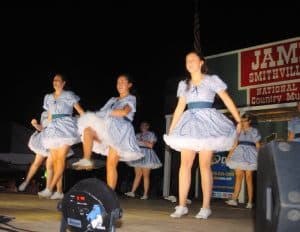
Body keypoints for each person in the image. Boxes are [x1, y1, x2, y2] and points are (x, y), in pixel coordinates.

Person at [163, 51, 241, 219]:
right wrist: (172, 128)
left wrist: (238, 119)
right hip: (189, 122)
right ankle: (182, 205)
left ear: (201, 62)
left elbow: (226, 99)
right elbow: (179, 107)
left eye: (192, 60)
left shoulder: (212, 80)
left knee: (204, 165)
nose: (189, 62)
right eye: (187, 60)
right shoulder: (183, 84)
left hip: (207, 122)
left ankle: (206, 207)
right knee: (185, 164)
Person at [72, 74, 143, 190]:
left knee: (111, 165)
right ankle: (86, 159)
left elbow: (124, 112)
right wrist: (91, 116)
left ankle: (110, 195)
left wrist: (108, 112)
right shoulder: (112, 100)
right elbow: (101, 113)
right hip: (107, 127)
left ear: (129, 85)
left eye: (123, 82)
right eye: (118, 82)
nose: (119, 84)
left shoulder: (131, 98)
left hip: (120, 131)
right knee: (87, 131)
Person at [38, 73, 84, 198]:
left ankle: (49, 188)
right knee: (55, 162)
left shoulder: (69, 95)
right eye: (54, 80)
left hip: (66, 127)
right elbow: (49, 116)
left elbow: (79, 110)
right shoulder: (48, 97)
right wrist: (43, 126)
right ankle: (59, 192)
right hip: (52, 128)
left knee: (61, 158)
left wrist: (88, 121)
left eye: (58, 80)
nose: (55, 82)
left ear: (63, 83)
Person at [225, 113, 261, 209]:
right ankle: (234, 199)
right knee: (238, 177)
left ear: (249, 121)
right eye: (241, 121)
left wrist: (260, 156)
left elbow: (257, 145)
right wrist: (229, 155)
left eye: (244, 121)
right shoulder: (238, 131)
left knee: (249, 178)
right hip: (239, 154)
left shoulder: (254, 131)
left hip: (250, 154)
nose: (242, 122)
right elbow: (235, 144)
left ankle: (250, 202)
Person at [125, 121, 162, 200]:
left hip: (147, 155)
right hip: (138, 154)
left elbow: (151, 145)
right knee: (138, 175)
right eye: (141, 125)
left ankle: (145, 194)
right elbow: (133, 145)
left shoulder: (151, 134)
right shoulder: (137, 135)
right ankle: (132, 192)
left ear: (148, 126)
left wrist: (142, 141)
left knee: (145, 175)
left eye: (145, 125)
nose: (143, 126)